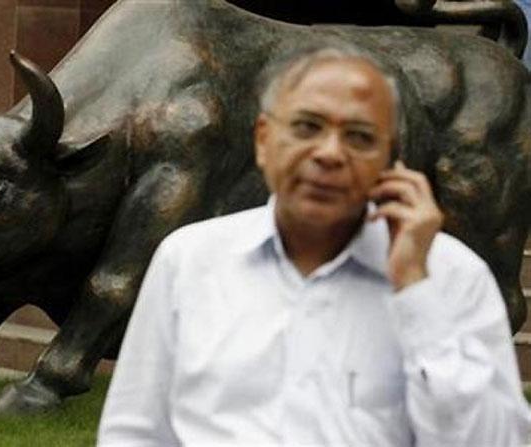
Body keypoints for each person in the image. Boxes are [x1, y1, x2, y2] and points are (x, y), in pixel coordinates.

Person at [97, 49, 530, 446]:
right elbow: (134, 430)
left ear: (391, 160)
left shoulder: (454, 276)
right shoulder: (189, 259)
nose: (329, 153)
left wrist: (417, 292)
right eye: (307, 127)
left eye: (359, 137)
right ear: (264, 140)